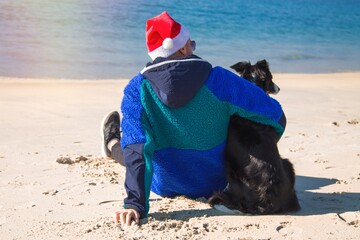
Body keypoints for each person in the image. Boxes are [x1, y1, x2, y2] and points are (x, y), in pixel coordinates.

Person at [101, 11, 286, 227]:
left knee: (132, 147)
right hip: (215, 182)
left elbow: (137, 150)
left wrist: (135, 204)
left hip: (163, 184)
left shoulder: (136, 90)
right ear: (183, 48)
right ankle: (113, 144)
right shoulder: (221, 80)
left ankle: (111, 143)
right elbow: (277, 118)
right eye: (192, 44)